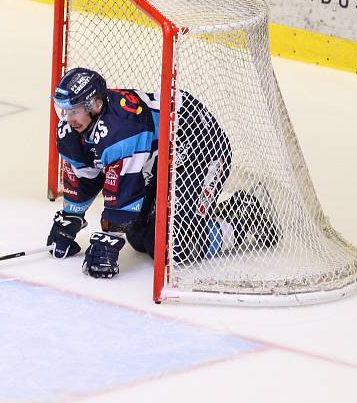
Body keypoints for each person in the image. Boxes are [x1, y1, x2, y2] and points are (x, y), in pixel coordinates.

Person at [46, 67, 279, 279]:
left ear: (95, 105)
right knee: (140, 238)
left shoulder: (122, 130)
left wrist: (110, 239)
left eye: (74, 110)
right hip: (158, 159)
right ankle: (221, 209)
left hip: (201, 150)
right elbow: (86, 178)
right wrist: (71, 218)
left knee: (175, 245)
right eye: (64, 110)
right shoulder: (71, 129)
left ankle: (247, 218)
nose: (67, 118)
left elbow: (124, 196)